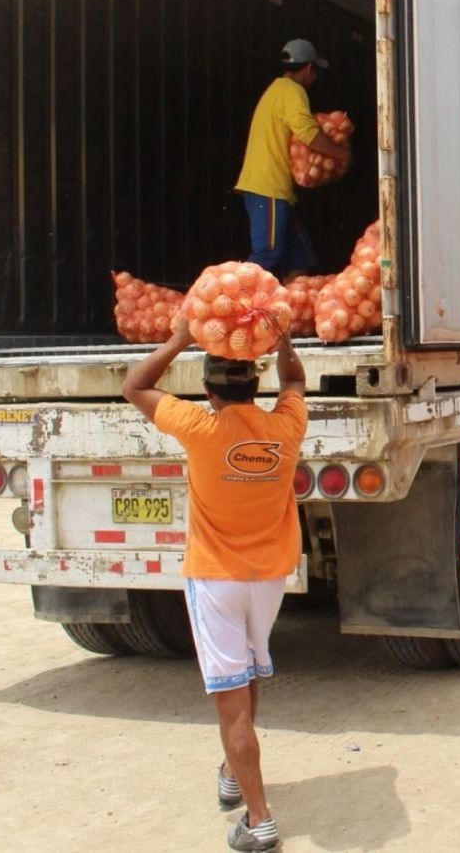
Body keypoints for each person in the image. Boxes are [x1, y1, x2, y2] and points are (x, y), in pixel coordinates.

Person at [122, 318, 308, 853]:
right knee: (247, 678)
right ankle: (233, 771)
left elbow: (135, 385)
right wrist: (286, 343)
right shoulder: (284, 427)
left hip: (215, 578)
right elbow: (294, 382)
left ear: (208, 392)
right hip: (269, 578)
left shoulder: (199, 428)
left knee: (231, 702)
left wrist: (181, 338)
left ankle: (259, 819)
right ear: (255, 384)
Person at [234, 38, 352, 279]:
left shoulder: (277, 90)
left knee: (299, 257)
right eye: (314, 70)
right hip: (267, 187)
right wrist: (340, 153)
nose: (314, 77)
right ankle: (231, 305)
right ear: (308, 68)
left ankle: (296, 311)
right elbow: (307, 132)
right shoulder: (292, 91)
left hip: (280, 191)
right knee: (267, 254)